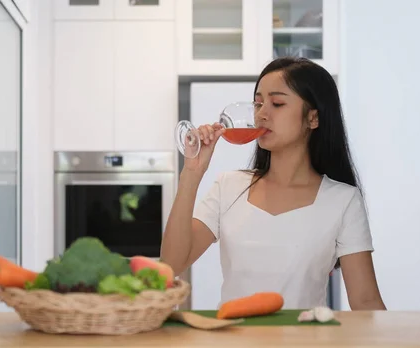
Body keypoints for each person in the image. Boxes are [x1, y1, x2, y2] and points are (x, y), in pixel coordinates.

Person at [161, 57, 386, 310]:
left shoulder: (343, 200)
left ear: (313, 118)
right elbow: (171, 265)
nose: (261, 114)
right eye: (258, 103)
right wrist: (191, 173)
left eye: (277, 103)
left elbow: (366, 302)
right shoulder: (229, 187)